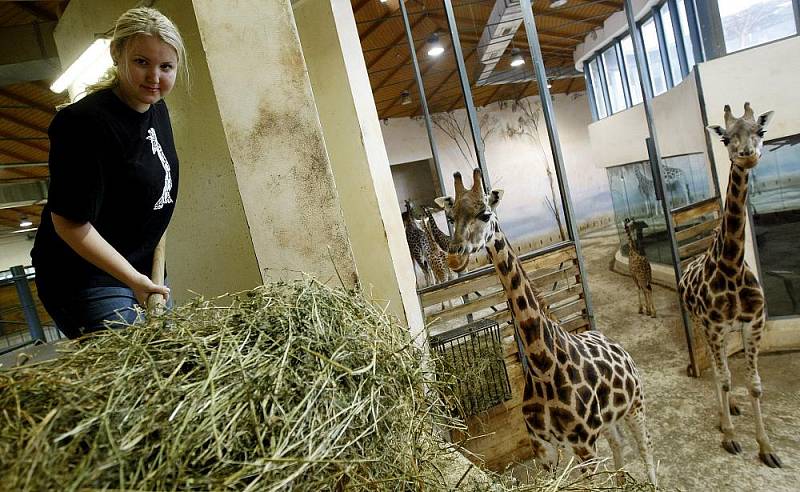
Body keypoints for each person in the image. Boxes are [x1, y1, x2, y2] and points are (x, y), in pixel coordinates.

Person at [31, 7, 188, 339]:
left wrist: (144, 276)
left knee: (170, 365)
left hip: (146, 269)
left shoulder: (157, 108)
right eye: (141, 62)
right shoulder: (83, 124)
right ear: (117, 54)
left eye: (166, 66)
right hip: (86, 276)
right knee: (136, 376)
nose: (155, 77)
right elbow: (69, 223)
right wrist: (133, 280)